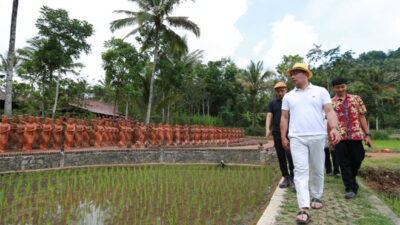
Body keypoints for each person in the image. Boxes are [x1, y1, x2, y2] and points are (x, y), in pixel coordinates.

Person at [280, 63, 340, 224]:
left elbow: (329, 111)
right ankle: (304, 208)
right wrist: (283, 137)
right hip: (297, 137)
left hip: (317, 136)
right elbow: (284, 117)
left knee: (318, 168)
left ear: (306, 75)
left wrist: (334, 128)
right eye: (291, 74)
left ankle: (317, 196)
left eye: (296, 73)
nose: (292, 76)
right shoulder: (288, 96)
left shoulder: (321, 91)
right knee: (300, 171)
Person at [331, 77, 372, 199]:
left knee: (358, 158)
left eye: (342, 86)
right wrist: (330, 139)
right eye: (337, 87)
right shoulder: (331, 102)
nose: (340, 89)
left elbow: (362, 117)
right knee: (343, 163)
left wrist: (367, 135)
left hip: (356, 135)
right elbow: (329, 122)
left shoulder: (356, 99)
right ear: (334, 88)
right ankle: (350, 188)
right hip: (340, 137)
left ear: (346, 86)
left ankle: (352, 178)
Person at [266, 81, 295, 188]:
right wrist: (267, 129)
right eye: (278, 91)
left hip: (290, 132)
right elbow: (269, 116)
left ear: (286, 90)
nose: (280, 93)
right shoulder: (272, 103)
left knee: (290, 155)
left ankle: (293, 177)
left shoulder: (291, 101)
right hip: (277, 133)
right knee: (281, 156)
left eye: (282, 91)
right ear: (275, 92)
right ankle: (286, 177)